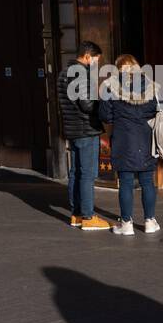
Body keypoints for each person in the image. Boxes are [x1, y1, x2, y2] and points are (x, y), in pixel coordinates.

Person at [98, 53, 161, 236]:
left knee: (125, 183)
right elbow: (156, 110)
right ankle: (150, 222)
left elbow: (105, 116)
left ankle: (126, 224)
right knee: (147, 181)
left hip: (123, 140)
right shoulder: (150, 86)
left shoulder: (111, 87)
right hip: (146, 139)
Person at [58, 40, 111, 230]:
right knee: (88, 174)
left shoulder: (63, 74)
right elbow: (87, 105)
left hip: (72, 130)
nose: (97, 64)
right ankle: (88, 217)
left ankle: (77, 214)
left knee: (76, 172)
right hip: (86, 130)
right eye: (96, 60)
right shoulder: (83, 75)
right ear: (87, 56)